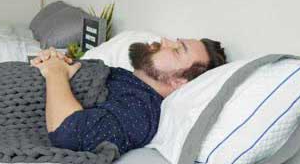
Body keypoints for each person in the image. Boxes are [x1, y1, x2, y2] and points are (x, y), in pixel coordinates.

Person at [30, 38, 227, 154]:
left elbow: (71, 134)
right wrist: (55, 60)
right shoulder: (126, 78)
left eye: (177, 50)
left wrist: (56, 72)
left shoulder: (141, 110)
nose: (163, 41)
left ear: (179, 81)